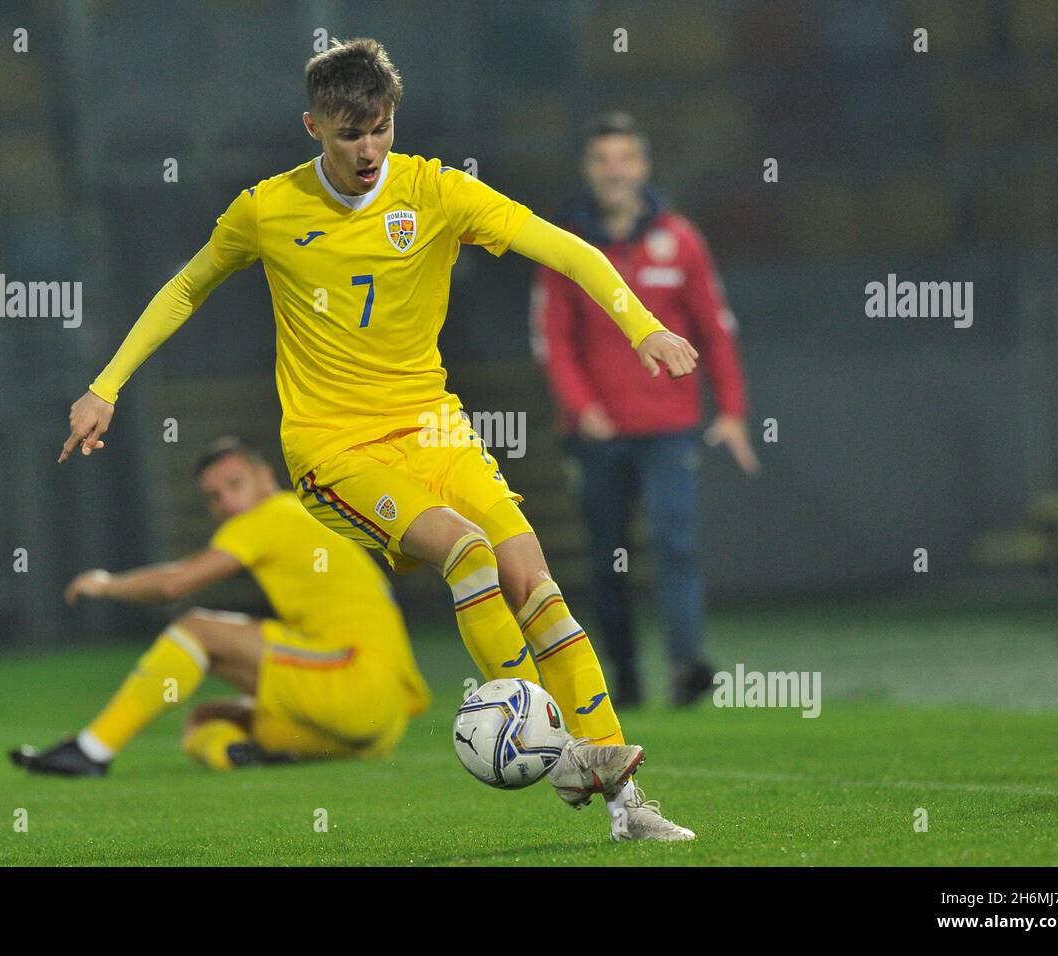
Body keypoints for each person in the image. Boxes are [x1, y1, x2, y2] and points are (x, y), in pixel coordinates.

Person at [59, 38, 698, 840]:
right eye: (348, 133)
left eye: (381, 128)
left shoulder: (435, 192)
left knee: (535, 582)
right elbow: (188, 286)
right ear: (312, 127)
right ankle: (549, 739)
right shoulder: (267, 209)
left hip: (433, 428)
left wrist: (641, 326)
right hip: (334, 449)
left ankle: (628, 807)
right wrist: (105, 385)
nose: (368, 149)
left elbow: (562, 246)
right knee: (467, 552)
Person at [12, 437, 431, 775]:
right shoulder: (304, 514)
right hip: (376, 723)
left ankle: (91, 750)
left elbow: (176, 584)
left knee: (197, 629)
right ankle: (235, 752)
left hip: (354, 679)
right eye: (215, 496)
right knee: (209, 716)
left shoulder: (269, 515)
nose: (227, 502)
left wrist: (106, 585)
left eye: (235, 484)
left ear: (266, 475)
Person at [532, 112, 759, 708]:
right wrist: (583, 409)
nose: (615, 170)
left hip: (671, 428)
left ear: (644, 167)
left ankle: (687, 668)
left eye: (625, 158)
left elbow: (717, 328)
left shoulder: (681, 239)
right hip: (598, 434)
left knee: (675, 544)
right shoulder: (566, 245)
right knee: (609, 559)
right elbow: (551, 338)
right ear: (588, 170)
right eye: (603, 159)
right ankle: (625, 678)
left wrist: (731, 410)